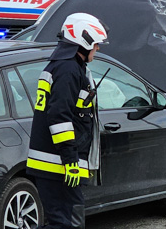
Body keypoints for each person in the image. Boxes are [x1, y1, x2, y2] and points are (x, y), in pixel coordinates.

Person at [28, 13, 107, 229]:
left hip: (54, 162)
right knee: (67, 224)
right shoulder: (68, 69)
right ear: (85, 40)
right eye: (97, 44)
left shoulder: (65, 66)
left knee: (65, 222)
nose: (98, 49)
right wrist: (70, 159)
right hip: (57, 164)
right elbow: (59, 117)